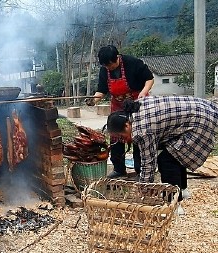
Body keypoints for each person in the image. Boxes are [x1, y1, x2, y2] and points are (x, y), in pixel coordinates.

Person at [105, 96, 218, 215]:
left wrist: (143, 191)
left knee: (166, 160)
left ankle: (173, 204)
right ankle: (182, 190)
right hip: (202, 109)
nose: (123, 140)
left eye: (122, 136)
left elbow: (149, 164)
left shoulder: (143, 130)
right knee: (175, 153)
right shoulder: (135, 109)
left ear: (127, 125)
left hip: (200, 121)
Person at [87, 45, 154, 179]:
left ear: (117, 58)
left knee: (137, 136)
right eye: (106, 66)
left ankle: (140, 170)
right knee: (116, 136)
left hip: (136, 104)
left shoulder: (133, 63)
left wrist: (143, 92)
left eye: (110, 65)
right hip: (118, 106)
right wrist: (94, 100)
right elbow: (101, 90)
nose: (109, 68)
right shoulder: (104, 70)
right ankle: (119, 169)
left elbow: (149, 79)